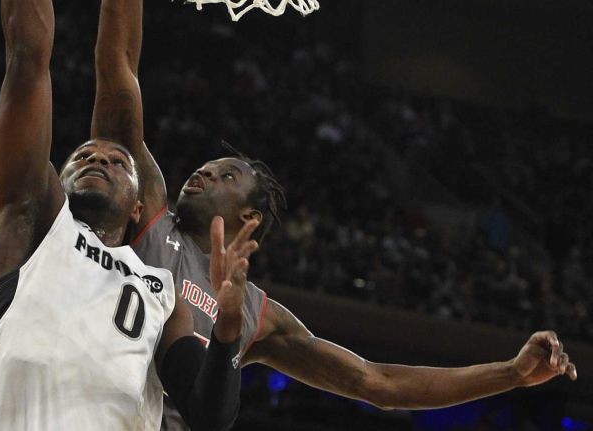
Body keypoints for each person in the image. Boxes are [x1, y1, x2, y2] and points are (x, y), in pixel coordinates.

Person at [91, 2, 579, 429]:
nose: (205, 171)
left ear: (250, 218)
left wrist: (511, 374)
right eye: (207, 167)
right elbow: (118, 74)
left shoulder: (260, 315)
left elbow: (376, 381)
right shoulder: (147, 208)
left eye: (226, 175)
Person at [0, 0, 260, 428]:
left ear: (139, 206)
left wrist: (227, 330)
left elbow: (210, 417)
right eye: (82, 156)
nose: (99, 159)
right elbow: (27, 62)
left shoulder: (162, 293)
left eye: (118, 161)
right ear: (58, 183)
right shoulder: (31, 224)